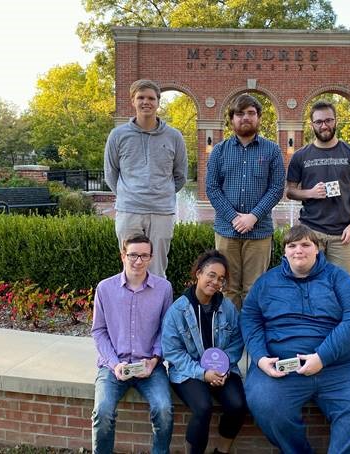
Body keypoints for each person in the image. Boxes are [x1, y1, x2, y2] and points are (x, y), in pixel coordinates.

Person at [240, 224, 350, 454]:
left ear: (317, 249)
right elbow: (250, 319)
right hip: (283, 366)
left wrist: (323, 356)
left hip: (340, 364)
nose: (299, 250)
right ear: (284, 252)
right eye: (292, 245)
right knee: (266, 404)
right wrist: (259, 357)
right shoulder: (266, 283)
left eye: (306, 244)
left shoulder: (338, 278)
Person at [91, 234, 173, 454]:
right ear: (123, 256)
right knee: (103, 410)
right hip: (113, 366)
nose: (138, 261)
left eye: (144, 256)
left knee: (164, 408)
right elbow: (99, 331)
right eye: (133, 255)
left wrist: (154, 360)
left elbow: (166, 331)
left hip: (150, 367)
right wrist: (114, 363)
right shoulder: (105, 288)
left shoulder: (164, 289)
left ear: (151, 257)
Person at [162, 250, 246, 454]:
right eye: (211, 275)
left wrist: (224, 368)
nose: (216, 282)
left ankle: (222, 451)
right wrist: (203, 373)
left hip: (222, 370)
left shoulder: (227, 307)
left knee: (238, 406)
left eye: (221, 279)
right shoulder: (178, 310)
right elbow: (172, 352)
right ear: (198, 273)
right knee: (202, 407)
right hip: (188, 372)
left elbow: (236, 341)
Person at [206, 93, 285, 308]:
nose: (245, 118)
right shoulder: (219, 151)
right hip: (226, 230)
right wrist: (234, 217)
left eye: (251, 113)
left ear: (259, 117)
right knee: (228, 287)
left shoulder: (272, 150)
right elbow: (212, 188)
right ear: (232, 119)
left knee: (255, 288)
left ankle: (251, 339)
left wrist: (253, 216)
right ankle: (232, 338)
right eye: (240, 113)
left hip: (259, 232)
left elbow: (277, 188)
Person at [104, 79, 188, 278]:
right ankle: (130, 308)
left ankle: (158, 309)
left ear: (158, 102)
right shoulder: (118, 135)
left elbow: (181, 175)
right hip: (129, 211)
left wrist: (161, 192)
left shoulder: (174, 136)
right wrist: (129, 194)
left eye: (151, 98)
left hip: (161, 212)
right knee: (131, 268)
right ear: (133, 101)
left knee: (157, 269)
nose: (146, 102)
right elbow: (111, 173)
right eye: (140, 97)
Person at [286, 100, 350, 277]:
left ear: (336, 121)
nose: (324, 126)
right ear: (312, 124)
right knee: (309, 283)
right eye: (319, 122)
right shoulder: (300, 156)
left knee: (343, 286)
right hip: (310, 232)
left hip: (342, 234)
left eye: (329, 120)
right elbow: (290, 191)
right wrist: (310, 193)